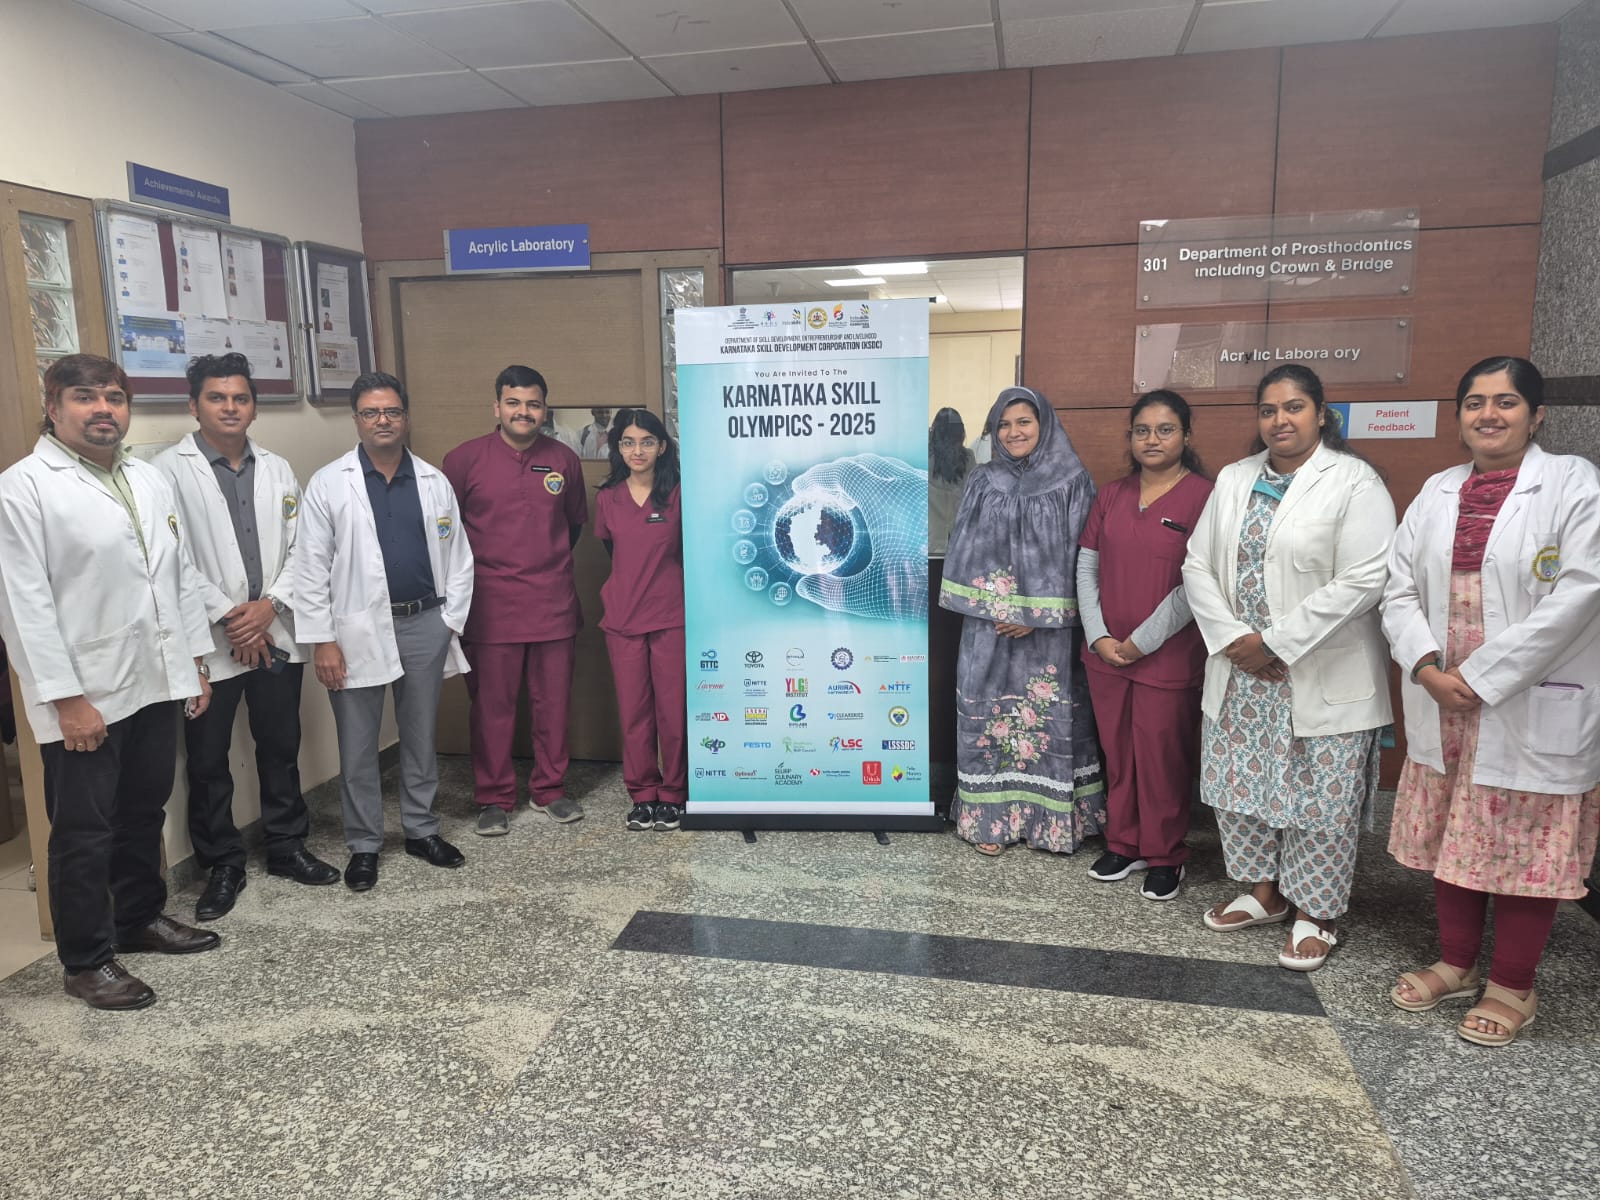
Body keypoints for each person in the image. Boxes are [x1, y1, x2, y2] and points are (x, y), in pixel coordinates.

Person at [1383, 357, 1600, 1046]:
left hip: (1523, 695)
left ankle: (1513, 986)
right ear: (1459, 418)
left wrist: (1482, 675)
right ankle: (1456, 962)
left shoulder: (1572, 482)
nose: (1488, 414)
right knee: (1456, 831)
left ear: (1536, 416)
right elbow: (1397, 588)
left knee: (1525, 844)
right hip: (1442, 695)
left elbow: (1582, 591)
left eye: (1506, 402)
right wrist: (1425, 666)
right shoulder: (1438, 490)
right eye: (1474, 402)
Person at [0, 354, 219, 1011]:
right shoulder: (23, 488)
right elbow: (23, 606)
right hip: (84, 693)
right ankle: (86, 959)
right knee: (82, 831)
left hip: (155, 678)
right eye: (85, 397)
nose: (103, 409)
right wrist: (66, 699)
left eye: (115, 397)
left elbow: (176, 577)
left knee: (143, 810)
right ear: (54, 407)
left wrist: (194, 661)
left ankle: (138, 918)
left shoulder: (146, 478)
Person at [1183, 364, 1396, 971]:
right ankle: (1264, 893)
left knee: (1321, 798)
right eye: (1269, 410)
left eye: (1295, 407)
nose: (1281, 420)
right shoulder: (1234, 478)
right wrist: (1235, 641)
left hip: (1315, 669)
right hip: (1242, 670)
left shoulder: (1354, 481)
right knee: (1242, 789)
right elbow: (1197, 564)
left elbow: (1366, 577)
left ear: (1321, 414)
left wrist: (1275, 643)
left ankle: (1317, 913)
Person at [156, 353, 340, 922]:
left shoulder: (278, 469)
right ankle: (222, 864)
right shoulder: (165, 473)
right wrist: (232, 617)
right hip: (209, 642)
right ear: (194, 406)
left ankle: (286, 845)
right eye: (217, 398)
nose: (230, 407)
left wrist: (268, 608)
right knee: (208, 758)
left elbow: (304, 547)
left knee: (280, 745)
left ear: (254, 407)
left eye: (240, 398)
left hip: (275, 628)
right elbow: (172, 559)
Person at [296, 371, 473, 890]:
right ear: (356, 420)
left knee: (419, 736)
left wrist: (448, 622)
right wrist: (323, 641)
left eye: (392, 411)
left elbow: (460, 558)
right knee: (357, 745)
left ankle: (421, 829)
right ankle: (364, 844)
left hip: (424, 623)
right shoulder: (330, 483)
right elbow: (310, 567)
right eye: (371, 412)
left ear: (406, 418)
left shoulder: (433, 481)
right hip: (354, 631)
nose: (382, 421)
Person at [939, 387, 1104, 855]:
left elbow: (1082, 555)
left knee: (1047, 720)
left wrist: (1036, 614)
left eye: (1024, 422)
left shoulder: (1073, 480)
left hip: (1048, 634)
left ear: (1043, 425)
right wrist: (1003, 608)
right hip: (988, 627)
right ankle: (990, 821)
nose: (1013, 432)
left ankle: (1051, 822)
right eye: (1004, 424)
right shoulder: (982, 480)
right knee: (989, 718)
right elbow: (965, 548)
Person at [1079, 390, 1213, 901]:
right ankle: (1125, 843)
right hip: (1106, 655)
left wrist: (1140, 642)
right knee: (1118, 753)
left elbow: (1197, 583)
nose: (1152, 439)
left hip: (1167, 655)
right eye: (1142, 430)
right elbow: (1087, 566)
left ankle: (1165, 854)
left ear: (1186, 435)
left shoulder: (1205, 496)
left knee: (1162, 757)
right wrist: (1098, 636)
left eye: (1165, 429)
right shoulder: (1111, 494)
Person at [443, 366, 587, 836]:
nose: (523, 412)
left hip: (552, 603)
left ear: (544, 409)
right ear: (497, 407)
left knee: (553, 704)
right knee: (492, 708)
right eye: (513, 402)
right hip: (490, 608)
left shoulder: (564, 460)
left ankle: (550, 789)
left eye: (533, 404)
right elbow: (447, 535)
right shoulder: (463, 461)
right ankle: (494, 797)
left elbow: (573, 526)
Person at [592, 408, 687, 831]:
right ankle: (643, 793)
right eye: (628, 442)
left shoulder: (679, 494)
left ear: (662, 446)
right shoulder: (608, 498)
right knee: (634, 712)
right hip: (624, 619)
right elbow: (614, 552)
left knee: (673, 711)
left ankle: (674, 793)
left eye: (647, 441)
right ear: (618, 447)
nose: (637, 450)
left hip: (671, 616)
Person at [927, 407, 973, 557]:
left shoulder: (925, 458)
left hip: (930, 540)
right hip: (960, 541)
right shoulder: (968, 458)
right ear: (960, 431)